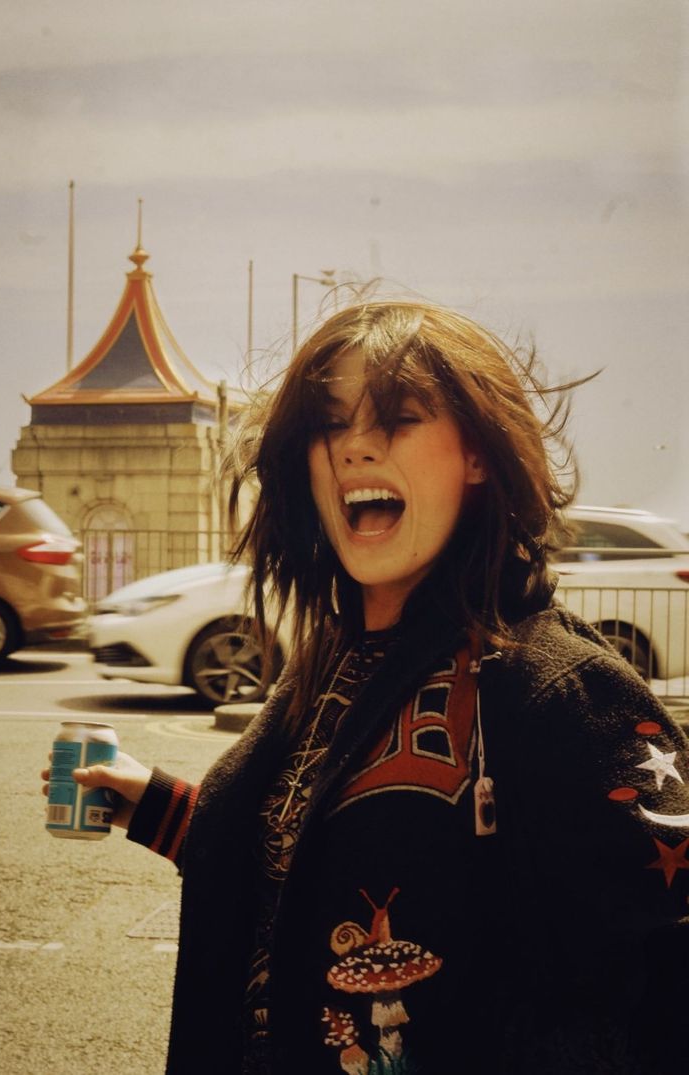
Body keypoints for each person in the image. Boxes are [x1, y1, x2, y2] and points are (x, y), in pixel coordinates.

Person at [42, 301, 689, 1075]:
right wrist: (158, 806)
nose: (353, 446)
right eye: (329, 423)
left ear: (478, 456)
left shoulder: (563, 690)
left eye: (399, 418)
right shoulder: (329, 657)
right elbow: (307, 872)